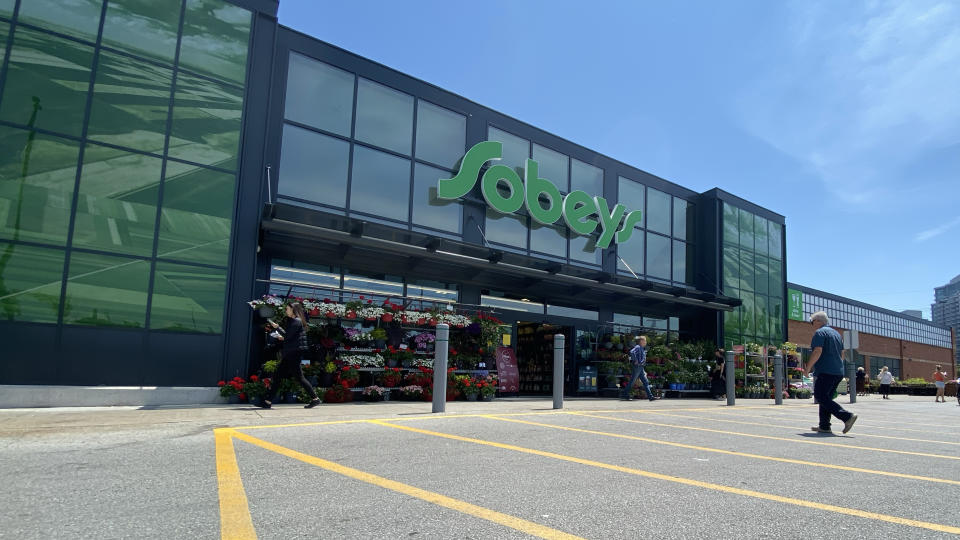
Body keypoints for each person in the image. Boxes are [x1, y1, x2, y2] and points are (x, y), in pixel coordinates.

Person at [804, 311, 857, 434]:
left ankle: (847, 416)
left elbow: (817, 351)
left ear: (818, 321)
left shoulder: (820, 332)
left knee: (820, 396)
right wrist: (837, 365)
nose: (812, 325)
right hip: (837, 371)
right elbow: (842, 353)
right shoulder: (836, 334)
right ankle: (824, 426)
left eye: (812, 322)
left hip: (825, 371)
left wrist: (808, 368)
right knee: (825, 398)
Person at [261, 302, 321, 409]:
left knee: (297, 377)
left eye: (288, 309)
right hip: (291, 353)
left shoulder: (296, 321)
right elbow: (289, 337)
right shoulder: (295, 321)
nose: (286, 311)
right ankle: (267, 401)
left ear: (293, 310)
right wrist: (281, 334)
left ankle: (315, 399)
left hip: (293, 353)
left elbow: (287, 336)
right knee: (279, 376)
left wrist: (277, 327)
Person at [621, 335, 659, 401]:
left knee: (645, 382)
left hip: (640, 367)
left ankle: (650, 397)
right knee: (632, 381)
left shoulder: (641, 348)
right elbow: (632, 352)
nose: (646, 342)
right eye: (645, 341)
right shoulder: (638, 347)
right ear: (641, 341)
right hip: (637, 367)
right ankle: (624, 394)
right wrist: (635, 360)